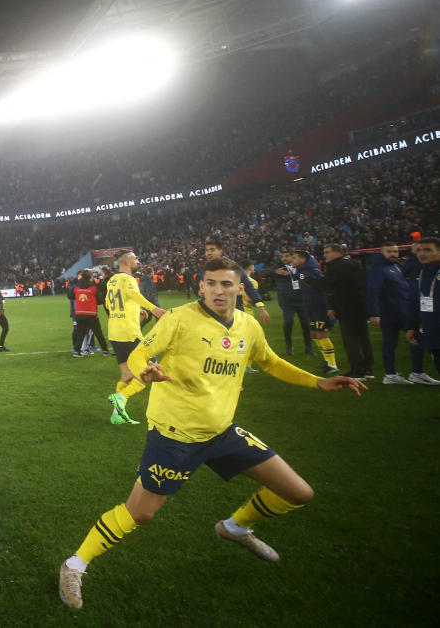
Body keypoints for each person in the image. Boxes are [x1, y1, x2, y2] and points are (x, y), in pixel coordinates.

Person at [58, 258, 366, 610]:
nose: (218, 290)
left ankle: (234, 527)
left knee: (299, 493)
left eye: (226, 284)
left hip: (222, 433)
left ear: (240, 288)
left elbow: (269, 361)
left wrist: (318, 381)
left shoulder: (248, 326)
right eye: (211, 283)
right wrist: (147, 373)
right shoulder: (180, 318)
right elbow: (141, 353)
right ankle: (74, 565)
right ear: (201, 286)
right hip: (174, 436)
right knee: (140, 514)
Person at [104, 251, 166, 425]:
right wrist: (153, 308)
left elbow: (110, 304)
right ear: (126, 261)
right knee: (152, 370)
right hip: (129, 333)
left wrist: (134, 309)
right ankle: (121, 396)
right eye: (135, 258)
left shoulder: (112, 280)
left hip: (115, 332)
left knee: (126, 374)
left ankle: (117, 415)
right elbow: (134, 295)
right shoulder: (128, 279)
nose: (138, 260)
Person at [301, 244, 375, 379]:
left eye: (327, 252)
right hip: (360, 306)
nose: (325, 255)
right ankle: (368, 369)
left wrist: (309, 281)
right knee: (364, 339)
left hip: (347, 308)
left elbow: (328, 283)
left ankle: (357, 370)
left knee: (350, 340)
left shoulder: (336, 266)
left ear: (337, 253)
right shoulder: (355, 263)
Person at [367, 241, 436, 384]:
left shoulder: (394, 266)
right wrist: (374, 313)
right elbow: (373, 291)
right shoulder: (377, 268)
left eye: (395, 252)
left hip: (401, 310)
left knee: (413, 339)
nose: (393, 254)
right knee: (394, 342)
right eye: (389, 252)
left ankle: (410, 373)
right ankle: (394, 374)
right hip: (390, 313)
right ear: (381, 253)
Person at [290, 249, 340, 374]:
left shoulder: (314, 272)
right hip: (310, 308)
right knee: (314, 335)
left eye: (295, 258)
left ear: (303, 259)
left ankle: (333, 365)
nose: (292, 260)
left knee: (322, 335)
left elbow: (326, 289)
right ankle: (326, 360)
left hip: (320, 308)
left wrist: (330, 307)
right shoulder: (301, 271)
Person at [203, 240, 271, 325]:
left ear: (220, 251)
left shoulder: (232, 267)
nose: (208, 253)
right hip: (213, 311)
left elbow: (248, 285)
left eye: (212, 250)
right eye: (207, 250)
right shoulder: (205, 269)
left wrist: (261, 307)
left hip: (234, 311)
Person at [407, 236, 440, 378]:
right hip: (431, 329)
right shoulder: (418, 274)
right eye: (419, 250)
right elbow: (414, 302)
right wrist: (411, 327)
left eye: (427, 250)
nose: (422, 253)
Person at [272, 252, 311, 356]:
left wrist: (294, 273)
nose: (284, 258)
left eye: (287, 256)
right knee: (288, 322)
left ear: (293, 257)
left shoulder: (300, 268)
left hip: (301, 300)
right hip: (287, 302)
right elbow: (264, 272)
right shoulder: (279, 267)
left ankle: (309, 348)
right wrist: (275, 271)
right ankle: (289, 347)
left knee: (306, 324)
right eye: (282, 256)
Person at [69, 270, 106, 357]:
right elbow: (99, 299)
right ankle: (103, 350)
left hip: (80, 312)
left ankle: (83, 349)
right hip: (86, 312)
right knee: (92, 332)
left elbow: (70, 295)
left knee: (84, 332)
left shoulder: (78, 286)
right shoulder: (88, 287)